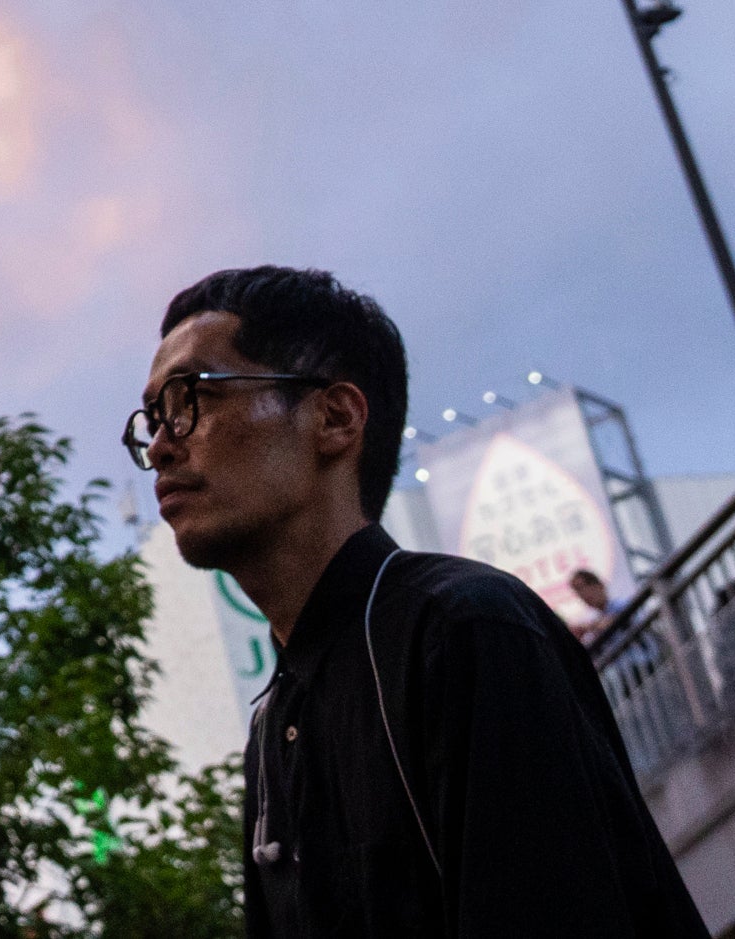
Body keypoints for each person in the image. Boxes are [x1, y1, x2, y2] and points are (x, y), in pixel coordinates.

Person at [137, 265, 702, 937]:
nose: (162, 444)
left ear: (336, 417)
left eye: (192, 396)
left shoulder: (465, 628)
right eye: (152, 418)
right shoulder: (270, 729)